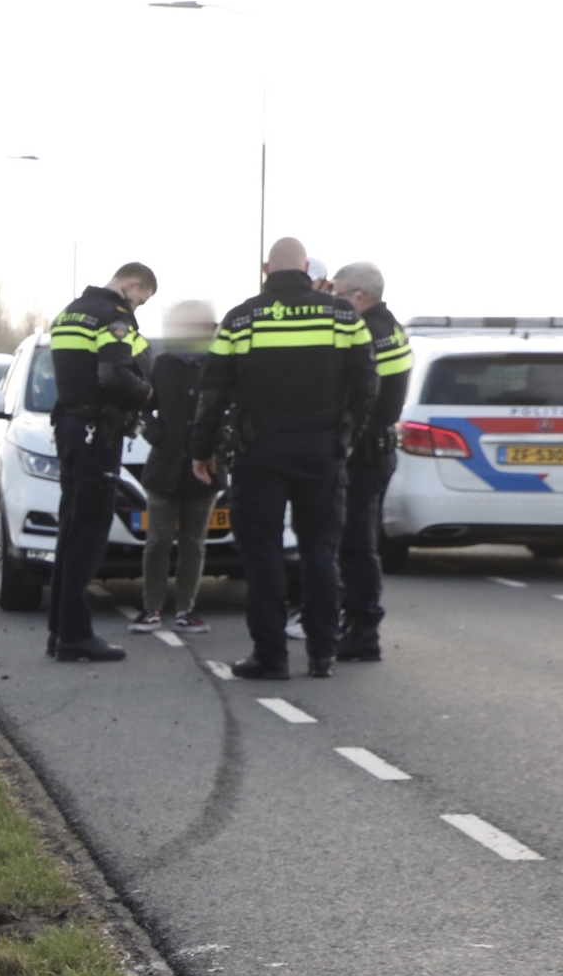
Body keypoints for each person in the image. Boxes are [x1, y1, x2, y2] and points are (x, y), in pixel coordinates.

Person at [190, 237, 379, 679]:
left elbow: (212, 391)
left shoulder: (241, 318)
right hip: (322, 452)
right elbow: (367, 383)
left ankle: (270, 656)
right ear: (309, 271)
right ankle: (322, 654)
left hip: (260, 453)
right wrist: (346, 436)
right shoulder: (342, 315)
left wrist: (202, 450)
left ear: (265, 269)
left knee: (262, 555)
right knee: (320, 554)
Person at [45, 263, 157, 661]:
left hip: (72, 428)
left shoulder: (70, 311)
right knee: (89, 535)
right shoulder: (112, 317)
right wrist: (147, 395)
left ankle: (59, 631)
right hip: (98, 432)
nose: (138, 307)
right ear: (131, 285)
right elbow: (115, 376)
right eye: (141, 299)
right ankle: (76, 636)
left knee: (70, 530)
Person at [332, 260, 410, 661]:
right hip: (375, 450)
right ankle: (356, 622)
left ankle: (363, 630)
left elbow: (353, 392)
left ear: (358, 296)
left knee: (356, 544)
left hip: (364, 453)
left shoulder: (368, 332)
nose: (332, 300)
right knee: (357, 543)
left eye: (337, 293)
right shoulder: (388, 325)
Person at [133, 299, 220, 633]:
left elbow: (231, 408)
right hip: (164, 468)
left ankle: (185, 610)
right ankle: (151, 609)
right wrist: (155, 434)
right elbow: (140, 408)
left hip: (206, 469)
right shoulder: (161, 365)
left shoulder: (218, 365)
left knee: (194, 543)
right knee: (157, 541)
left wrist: (218, 445)